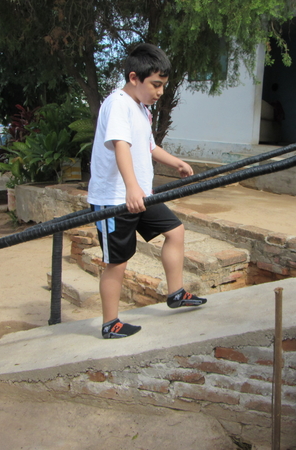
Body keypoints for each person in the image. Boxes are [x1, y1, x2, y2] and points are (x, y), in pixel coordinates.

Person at [87, 43, 207, 339]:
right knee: (116, 262)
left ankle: (176, 293)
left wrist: (176, 161)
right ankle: (110, 323)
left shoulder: (141, 109)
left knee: (175, 231)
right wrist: (131, 188)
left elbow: (149, 146)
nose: (160, 92)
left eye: (164, 86)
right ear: (133, 78)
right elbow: (120, 145)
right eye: (156, 84)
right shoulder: (117, 103)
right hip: (114, 199)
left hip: (140, 195)